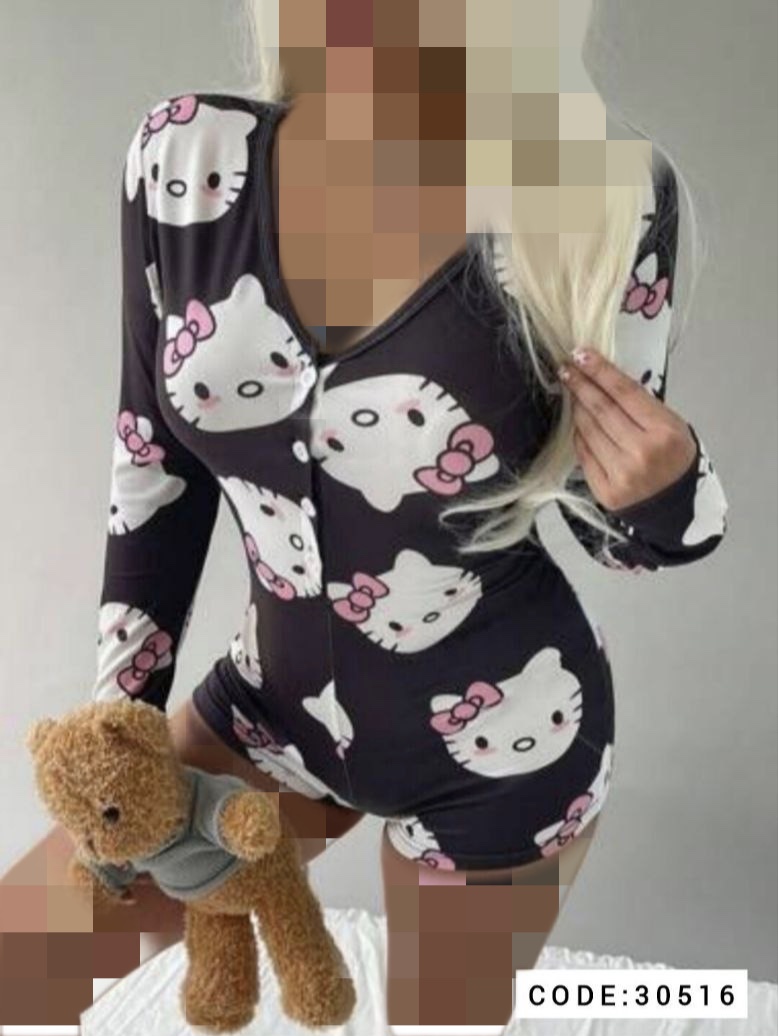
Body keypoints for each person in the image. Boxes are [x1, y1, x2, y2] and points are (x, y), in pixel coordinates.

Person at [54, 1, 733, 1031]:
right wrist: (122, 725)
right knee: (35, 956)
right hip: (269, 713)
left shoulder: (604, 192)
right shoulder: (187, 155)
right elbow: (153, 465)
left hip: (509, 744)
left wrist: (673, 490)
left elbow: (619, 530)